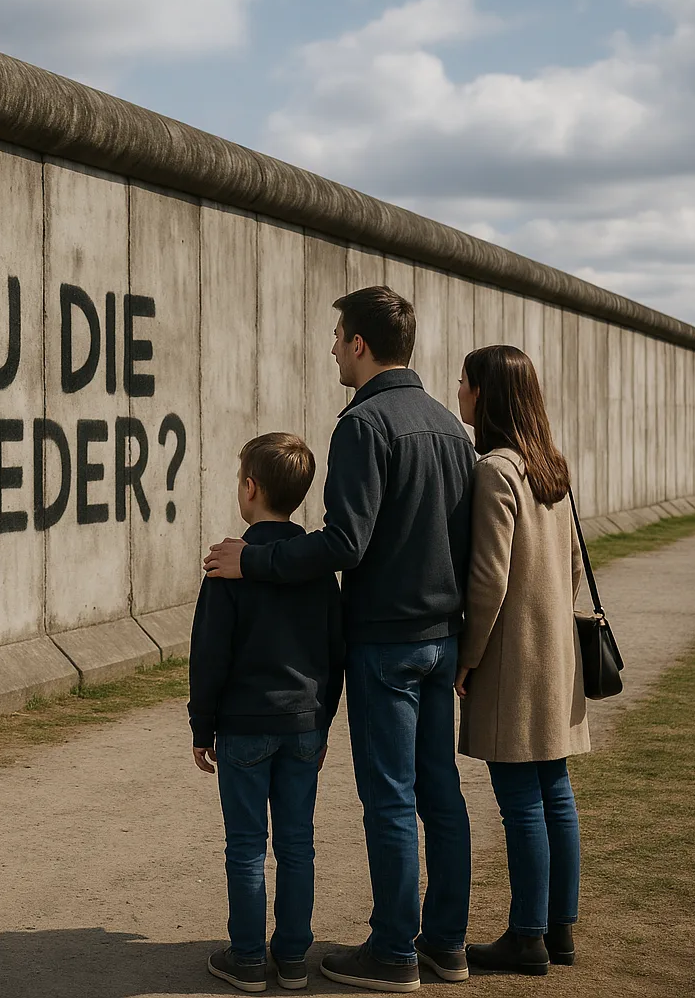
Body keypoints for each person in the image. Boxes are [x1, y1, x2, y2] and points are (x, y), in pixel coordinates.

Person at [204, 286, 476, 993]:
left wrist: (252, 559)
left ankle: (393, 951)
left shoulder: (364, 425)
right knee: (439, 793)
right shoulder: (450, 427)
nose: (331, 347)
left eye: (336, 336)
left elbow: (345, 543)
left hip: (386, 642)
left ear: (359, 343)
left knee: (389, 799)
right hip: (441, 637)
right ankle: (446, 944)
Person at [189, 432, 345, 993]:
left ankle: (249, 958)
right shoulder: (315, 567)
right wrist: (322, 721)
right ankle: (295, 958)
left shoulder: (229, 564)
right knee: (297, 843)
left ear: (249, 488)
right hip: (303, 724)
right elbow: (334, 651)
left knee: (247, 846)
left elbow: (210, 654)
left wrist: (201, 726)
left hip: (245, 727)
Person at [452, 345, 588, 975]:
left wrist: (467, 658)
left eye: (466, 383)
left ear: (489, 396)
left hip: (511, 661)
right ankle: (560, 930)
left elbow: (487, 580)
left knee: (520, 799)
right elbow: (578, 570)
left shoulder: (496, 471)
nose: (459, 394)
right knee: (555, 792)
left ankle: (527, 935)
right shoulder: (551, 470)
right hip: (556, 657)